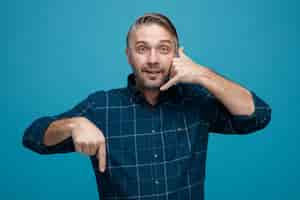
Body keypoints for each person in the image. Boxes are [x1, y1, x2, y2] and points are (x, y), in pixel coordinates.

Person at [23, 13, 272, 200]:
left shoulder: (196, 102)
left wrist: (204, 74)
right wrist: (73, 124)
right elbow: (33, 136)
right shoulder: (101, 106)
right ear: (128, 55)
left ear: (177, 54)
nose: (152, 60)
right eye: (142, 49)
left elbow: (257, 116)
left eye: (163, 49)